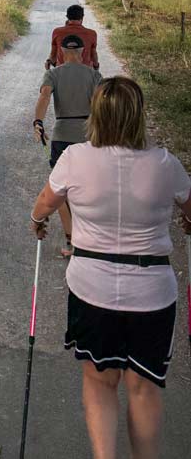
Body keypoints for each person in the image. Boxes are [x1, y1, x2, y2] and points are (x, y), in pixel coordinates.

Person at [30, 76, 191, 459]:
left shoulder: (75, 158)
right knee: (143, 388)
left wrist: (37, 220)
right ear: (139, 115)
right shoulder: (165, 163)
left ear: (96, 114)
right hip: (152, 295)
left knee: (100, 381)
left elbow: (46, 202)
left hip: (92, 290)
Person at [33, 33, 102, 256]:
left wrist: (38, 122)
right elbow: (101, 106)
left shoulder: (53, 73)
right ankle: (90, 239)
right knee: (88, 188)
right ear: (83, 52)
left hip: (62, 134)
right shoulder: (94, 75)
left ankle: (72, 241)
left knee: (61, 190)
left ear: (62, 52)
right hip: (88, 136)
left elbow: (45, 96)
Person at [46, 3, 99, 70]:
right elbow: (94, 56)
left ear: (67, 17)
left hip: (62, 72)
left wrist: (49, 61)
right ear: (82, 17)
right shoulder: (92, 34)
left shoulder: (57, 32)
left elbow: (53, 56)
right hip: (85, 72)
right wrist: (96, 66)